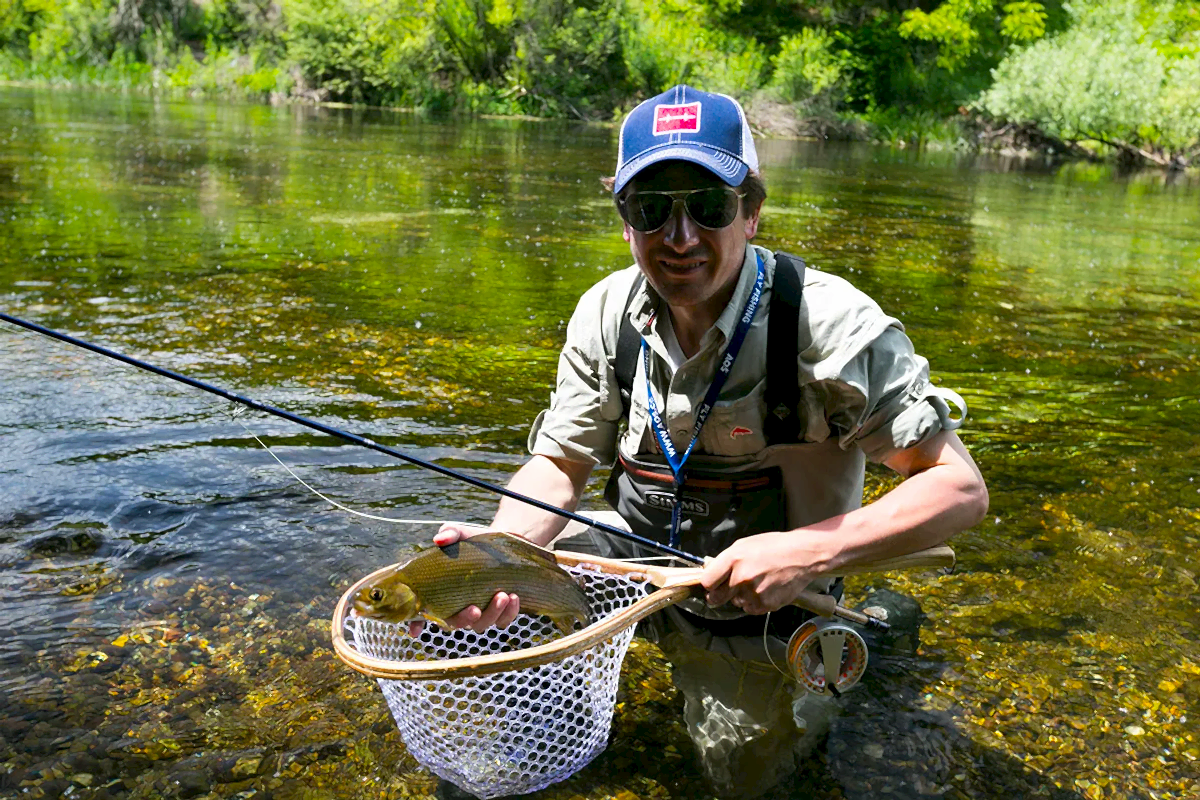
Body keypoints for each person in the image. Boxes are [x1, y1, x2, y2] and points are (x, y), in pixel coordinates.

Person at [432, 84, 989, 798]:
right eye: (651, 207)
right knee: (492, 676)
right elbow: (561, 462)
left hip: (769, 603)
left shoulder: (827, 325)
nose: (681, 235)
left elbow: (959, 489)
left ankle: (879, 631)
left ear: (752, 212)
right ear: (624, 219)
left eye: (709, 205)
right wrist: (498, 557)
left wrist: (808, 551)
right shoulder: (605, 312)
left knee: (741, 782)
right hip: (636, 566)